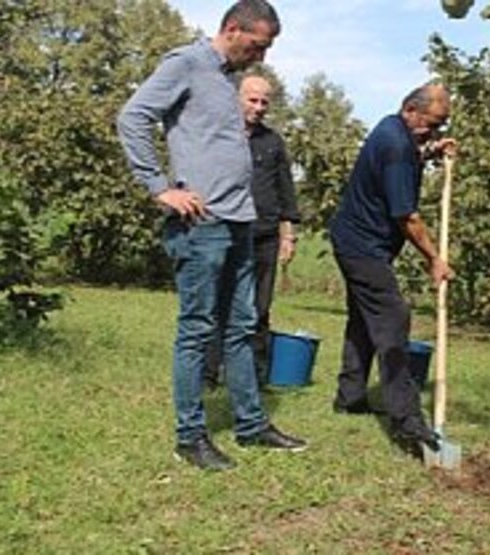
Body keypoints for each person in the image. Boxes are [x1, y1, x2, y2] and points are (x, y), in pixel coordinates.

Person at [116, 0, 306, 473]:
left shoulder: (224, 80)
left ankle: (250, 424)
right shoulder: (186, 63)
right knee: (198, 330)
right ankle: (190, 437)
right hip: (203, 225)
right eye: (257, 45)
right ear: (233, 29)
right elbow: (133, 117)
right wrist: (159, 187)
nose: (261, 57)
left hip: (241, 221)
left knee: (241, 327)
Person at [328, 83, 457, 452]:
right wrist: (434, 258)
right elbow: (407, 217)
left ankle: (350, 397)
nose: (434, 131)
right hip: (363, 248)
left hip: (354, 240)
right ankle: (408, 422)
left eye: (441, 126)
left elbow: (404, 159)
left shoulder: (393, 129)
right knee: (393, 319)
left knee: (362, 320)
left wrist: (430, 151)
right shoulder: (397, 145)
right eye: (432, 124)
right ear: (410, 110)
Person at [206, 74, 300, 389]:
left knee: (259, 309)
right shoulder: (219, 134)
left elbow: (285, 190)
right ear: (238, 98)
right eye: (253, 100)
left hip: (264, 235)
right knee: (216, 303)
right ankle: (208, 373)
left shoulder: (272, 142)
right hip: (224, 230)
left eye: (264, 102)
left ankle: (255, 378)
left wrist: (288, 235)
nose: (259, 107)